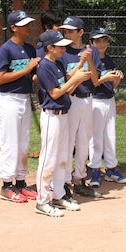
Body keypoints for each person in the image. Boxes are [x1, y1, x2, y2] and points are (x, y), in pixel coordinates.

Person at [35, 30, 91, 217]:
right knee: (48, 159)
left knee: (63, 157)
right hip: (52, 116)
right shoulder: (44, 66)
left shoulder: (57, 62)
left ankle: (58, 194)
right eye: (59, 45)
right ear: (50, 48)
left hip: (64, 115)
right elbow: (55, 93)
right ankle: (42, 200)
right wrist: (74, 80)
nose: (63, 48)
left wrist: (78, 73)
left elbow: (67, 85)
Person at [0, 10, 40, 203]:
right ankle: (6, 185)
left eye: (29, 23)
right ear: (13, 27)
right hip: (8, 99)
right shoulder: (6, 49)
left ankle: (20, 182)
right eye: (24, 24)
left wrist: (38, 75)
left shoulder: (30, 49)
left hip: (24, 98)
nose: (28, 26)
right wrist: (26, 69)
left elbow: (33, 76)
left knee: (23, 142)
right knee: (9, 142)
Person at [59, 16, 101, 198]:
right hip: (72, 100)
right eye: (65, 31)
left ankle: (79, 179)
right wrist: (81, 62)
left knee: (84, 143)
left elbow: (95, 80)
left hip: (88, 99)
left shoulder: (92, 51)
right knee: (69, 142)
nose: (67, 34)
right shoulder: (62, 51)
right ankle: (66, 181)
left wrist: (89, 58)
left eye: (70, 31)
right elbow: (67, 78)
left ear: (81, 32)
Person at [87, 28, 126, 188]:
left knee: (110, 136)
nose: (102, 43)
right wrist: (106, 77)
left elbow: (112, 85)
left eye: (104, 40)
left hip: (109, 100)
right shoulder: (90, 60)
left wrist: (117, 77)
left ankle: (111, 168)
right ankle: (95, 169)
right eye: (98, 41)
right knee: (96, 137)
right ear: (91, 43)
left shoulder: (109, 59)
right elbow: (93, 82)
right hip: (96, 101)